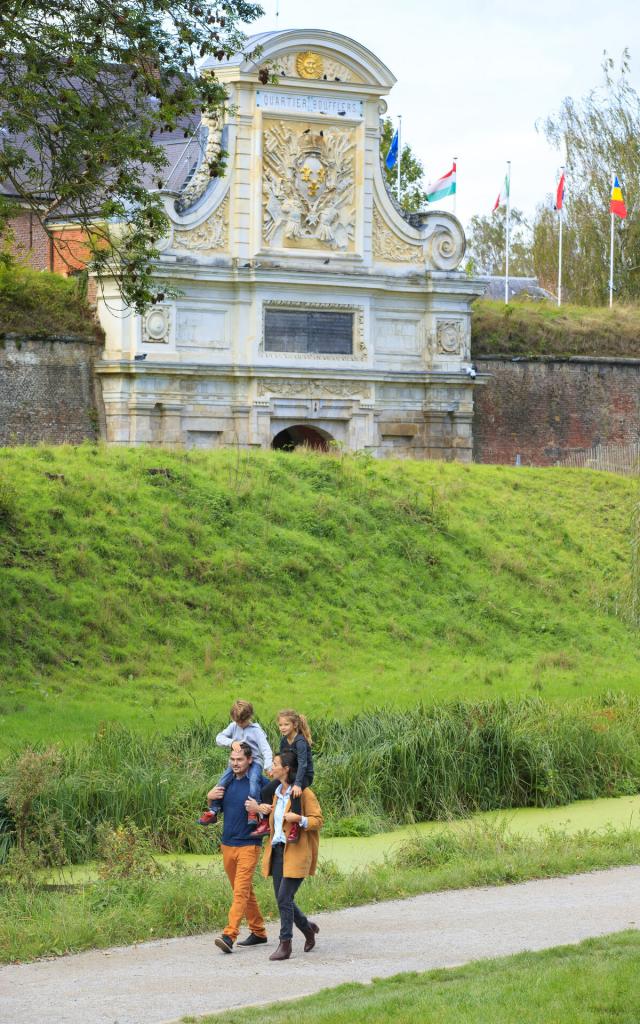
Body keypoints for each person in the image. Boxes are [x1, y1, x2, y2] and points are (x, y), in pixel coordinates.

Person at [246, 751, 323, 961]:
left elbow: (318, 820)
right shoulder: (275, 792)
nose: (272, 767)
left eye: (275, 764)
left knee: (283, 898)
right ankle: (307, 928)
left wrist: (300, 819)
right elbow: (272, 821)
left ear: (286, 769)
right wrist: (259, 809)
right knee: (284, 899)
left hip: (297, 852)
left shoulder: (304, 793)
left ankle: (285, 944)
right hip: (278, 851)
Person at [208, 741, 269, 954]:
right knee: (242, 890)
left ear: (249, 760)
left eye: (240, 759)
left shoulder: (260, 782)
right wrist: (209, 799)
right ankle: (259, 931)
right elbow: (214, 815)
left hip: (249, 844)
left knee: (240, 891)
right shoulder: (226, 783)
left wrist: (258, 807)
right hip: (227, 844)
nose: (235, 763)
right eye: (232, 759)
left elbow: (277, 807)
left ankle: (229, 935)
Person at [199, 700, 273, 827]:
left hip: (255, 761)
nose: (240, 724)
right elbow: (219, 738)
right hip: (237, 759)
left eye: (242, 722)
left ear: (249, 717)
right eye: (237, 721)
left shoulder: (256, 730)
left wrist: (268, 766)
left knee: (254, 781)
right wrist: (232, 742)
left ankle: (253, 812)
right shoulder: (233, 726)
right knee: (223, 780)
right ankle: (213, 811)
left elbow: (266, 749)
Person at [273, 709, 314, 844]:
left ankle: (295, 826)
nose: (282, 728)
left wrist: (297, 784)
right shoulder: (284, 740)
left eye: (286, 724)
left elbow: (303, 764)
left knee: (294, 792)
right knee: (267, 789)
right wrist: (275, 771)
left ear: (295, 725)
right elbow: (282, 760)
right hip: (289, 774)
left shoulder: (300, 741)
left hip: (304, 775)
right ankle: (266, 822)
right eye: (280, 725)